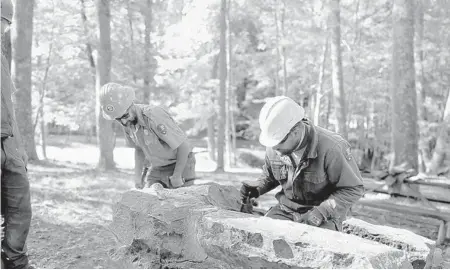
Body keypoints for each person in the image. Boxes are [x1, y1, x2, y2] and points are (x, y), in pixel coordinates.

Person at [240, 96, 364, 231]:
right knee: (262, 237)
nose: (274, 148)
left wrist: (322, 211)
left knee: (320, 248)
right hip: (285, 211)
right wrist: (256, 189)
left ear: (296, 131)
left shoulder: (332, 148)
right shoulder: (275, 146)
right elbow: (270, 177)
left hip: (323, 215)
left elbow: (353, 189)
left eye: (278, 142)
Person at [99, 82, 195, 189]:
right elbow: (139, 150)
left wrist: (177, 175)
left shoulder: (154, 116)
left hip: (180, 163)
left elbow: (184, 146)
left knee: (180, 202)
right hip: (157, 167)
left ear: (131, 105)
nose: (124, 121)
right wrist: (138, 177)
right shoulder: (127, 123)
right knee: (150, 200)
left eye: (125, 115)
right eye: (118, 119)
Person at [1, 0, 34, 268]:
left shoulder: (0, 58)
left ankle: (14, 261)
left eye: (4, 25)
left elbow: (9, 107)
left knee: (20, 207)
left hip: (8, 143)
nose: (1, 30)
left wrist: (20, 146)